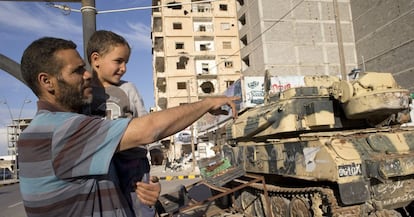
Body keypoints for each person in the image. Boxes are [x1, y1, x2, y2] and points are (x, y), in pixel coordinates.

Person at [18, 36, 239, 217]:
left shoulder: (55, 128)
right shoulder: (62, 130)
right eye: (77, 71)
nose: (87, 75)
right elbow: (149, 129)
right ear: (47, 82)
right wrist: (207, 103)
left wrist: (142, 187)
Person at [86, 30, 157, 217]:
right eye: (118, 61)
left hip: (134, 161)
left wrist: (156, 147)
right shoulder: (84, 93)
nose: (124, 68)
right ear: (96, 60)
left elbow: (145, 121)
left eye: (126, 63)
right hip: (104, 165)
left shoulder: (128, 89)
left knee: (141, 206)